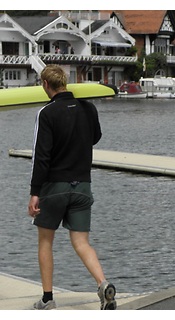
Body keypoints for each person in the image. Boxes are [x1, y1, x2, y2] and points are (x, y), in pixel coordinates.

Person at [27, 64, 117, 310]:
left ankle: (47, 299)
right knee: (81, 242)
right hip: (82, 185)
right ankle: (103, 283)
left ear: (46, 85)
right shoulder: (88, 107)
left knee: (45, 241)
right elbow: (95, 137)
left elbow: (41, 156)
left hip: (54, 187)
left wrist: (35, 192)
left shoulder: (46, 113)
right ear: (66, 82)